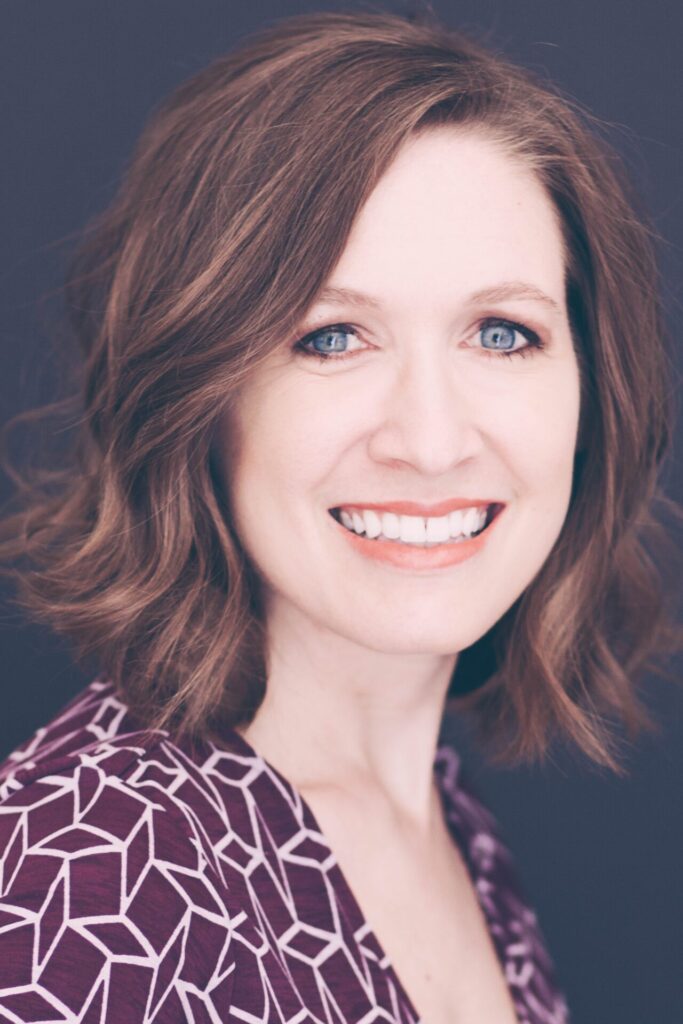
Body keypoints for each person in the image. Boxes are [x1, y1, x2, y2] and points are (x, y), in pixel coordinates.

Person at [0, 8, 680, 1024]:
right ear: (199, 395)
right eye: (331, 337)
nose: (431, 437)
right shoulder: (83, 867)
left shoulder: (450, 827)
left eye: (500, 332)